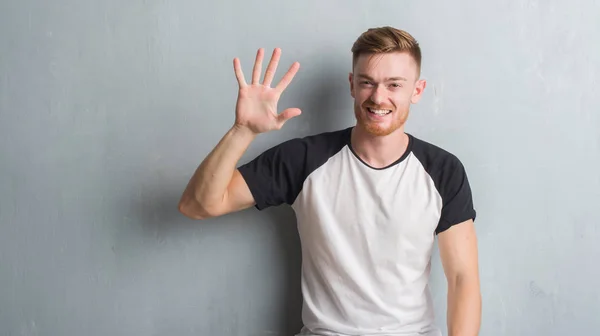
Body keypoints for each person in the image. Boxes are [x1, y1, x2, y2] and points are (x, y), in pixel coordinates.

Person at [178, 26, 481, 336]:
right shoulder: (303, 159)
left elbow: (462, 278)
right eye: (367, 83)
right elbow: (198, 205)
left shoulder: (443, 170)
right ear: (352, 85)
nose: (378, 97)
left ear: (416, 90)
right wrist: (242, 130)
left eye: (394, 85)